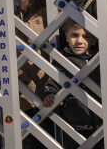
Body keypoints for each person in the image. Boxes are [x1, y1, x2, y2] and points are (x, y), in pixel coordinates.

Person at [43, 19, 103, 149]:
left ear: (93, 40)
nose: (79, 41)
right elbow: (52, 82)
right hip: (74, 123)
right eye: (74, 35)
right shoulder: (62, 61)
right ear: (66, 36)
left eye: (86, 36)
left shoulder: (100, 60)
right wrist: (50, 94)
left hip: (100, 122)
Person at [16, 0, 50, 148]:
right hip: (21, 90)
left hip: (39, 88)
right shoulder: (16, 16)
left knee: (40, 137)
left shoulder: (46, 16)